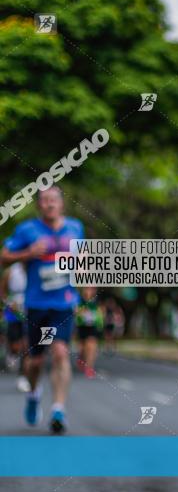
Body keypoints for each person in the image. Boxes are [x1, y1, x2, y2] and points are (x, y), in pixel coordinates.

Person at [0, 186, 96, 434]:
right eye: (44, 200)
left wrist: (87, 281)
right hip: (35, 304)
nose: (49, 204)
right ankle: (33, 394)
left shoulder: (75, 228)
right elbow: (4, 256)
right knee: (35, 361)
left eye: (53, 200)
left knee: (61, 352)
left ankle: (58, 410)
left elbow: (81, 258)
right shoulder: (27, 230)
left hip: (64, 303)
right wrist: (28, 253)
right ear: (39, 205)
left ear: (61, 204)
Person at [1, 262, 30, 392]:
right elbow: (2, 291)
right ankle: (11, 353)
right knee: (15, 345)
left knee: (26, 344)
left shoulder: (35, 268)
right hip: (14, 312)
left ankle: (23, 377)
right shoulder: (12, 271)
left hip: (31, 310)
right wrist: (8, 303)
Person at [75, 295, 103, 379]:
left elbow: (101, 311)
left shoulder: (97, 299)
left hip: (93, 326)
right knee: (83, 347)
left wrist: (100, 320)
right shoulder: (79, 299)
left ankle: (89, 367)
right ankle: (82, 357)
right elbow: (75, 310)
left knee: (92, 344)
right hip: (82, 326)